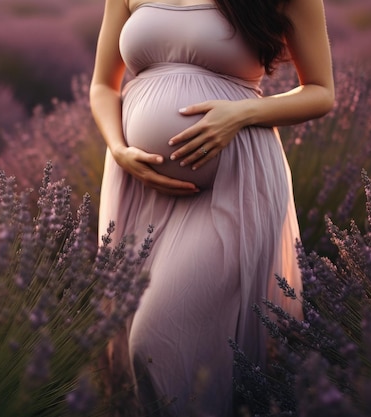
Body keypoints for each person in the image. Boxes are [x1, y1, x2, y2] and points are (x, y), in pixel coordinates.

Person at [90, 0, 334, 415]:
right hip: (138, 186)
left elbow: (321, 92)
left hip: (234, 186)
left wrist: (242, 113)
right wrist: (119, 149)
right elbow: (103, 86)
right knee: (152, 346)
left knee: (153, 340)